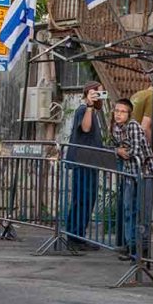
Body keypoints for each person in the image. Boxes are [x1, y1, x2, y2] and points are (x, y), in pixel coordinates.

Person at [64, 81, 110, 249]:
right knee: (82, 199)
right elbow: (85, 128)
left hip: (90, 161)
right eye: (99, 93)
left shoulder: (94, 113)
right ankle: (74, 236)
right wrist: (89, 106)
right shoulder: (83, 110)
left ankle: (78, 235)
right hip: (83, 162)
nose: (101, 97)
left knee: (86, 199)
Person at [110, 97, 153, 261]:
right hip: (129, 172)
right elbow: (115, 147)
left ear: (129, 114)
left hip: (143, 172)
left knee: (142, 211)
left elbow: (133, 151)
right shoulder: (115, 128)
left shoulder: (133, 126)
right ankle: (131, 246)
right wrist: (117, 150)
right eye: (116, 111)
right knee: (128, 210)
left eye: (122, 111)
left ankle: (143, 249)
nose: (118, 114)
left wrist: (120, 151)